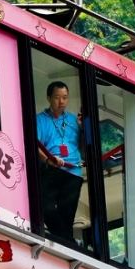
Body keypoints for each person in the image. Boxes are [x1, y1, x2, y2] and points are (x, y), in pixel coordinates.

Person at [34, 79, 86, 242]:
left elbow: (84, 148)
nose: (61, 101)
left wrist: (83, 129)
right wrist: (49, 160)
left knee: (67, 216)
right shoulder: (40, 119)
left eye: (65, 97)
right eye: (57, 97)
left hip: (73, 172)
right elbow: (35, 146)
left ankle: (67, 244)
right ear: (49, 98)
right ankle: (70, 244)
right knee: (45, 208)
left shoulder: (73, 120)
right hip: (52, 168)